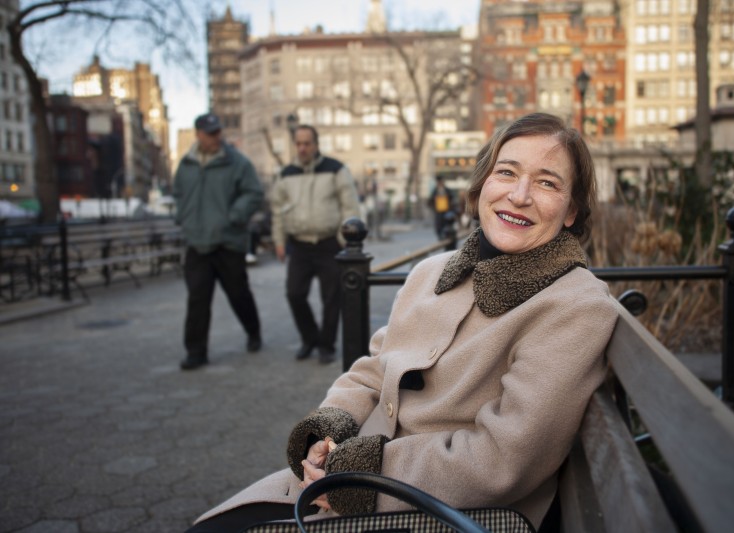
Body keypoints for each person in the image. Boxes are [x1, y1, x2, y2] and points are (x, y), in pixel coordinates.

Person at [186, 113, 619, 532]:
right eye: (506, 172)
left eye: (547, 182)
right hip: (349, 479)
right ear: (483, 184)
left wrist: (357, 477)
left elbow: (504, 458)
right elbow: (373, 370)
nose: (520, 195)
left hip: (442, 511)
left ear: (570, 212)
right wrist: (327, 429)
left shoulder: (575, 305)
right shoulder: (431, 272)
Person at [173, 113, 264, 370]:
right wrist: (182, 216)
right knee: (197, 298)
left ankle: (253, 331)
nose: (217, 137)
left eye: (218, 132)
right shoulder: (186, 164)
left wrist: (234, 216)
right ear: (198, 135)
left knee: (238, 294)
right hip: (197, 242)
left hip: (228, 242)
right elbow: (178, 193)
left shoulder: (237, 162)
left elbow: (254, 193)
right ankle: (195, 352)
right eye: (211, 133)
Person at [270, 124, 360, 365]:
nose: (302, 148)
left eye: (306, 143)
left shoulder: (336, 169)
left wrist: (346, 241)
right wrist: (279, 242)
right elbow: (277, 210)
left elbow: (350, 206)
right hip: (298, 245)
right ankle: (310, 338)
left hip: (329, 243)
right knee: (294, 294)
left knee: (331, 297)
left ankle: (326, 346)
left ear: (316, 145)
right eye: (298, 144)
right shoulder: (285, 173)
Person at [427, 175, 456, 239]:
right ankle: (441, 237)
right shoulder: (435, 191)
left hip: (447, 211)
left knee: (447, 226)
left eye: (441, 181)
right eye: (439, 182)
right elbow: (430, 201)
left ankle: (448, 236)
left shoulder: (447, 190)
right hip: (438, 212)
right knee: (438, 226)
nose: (440, 183)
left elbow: (452, 199)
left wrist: (451, 207)